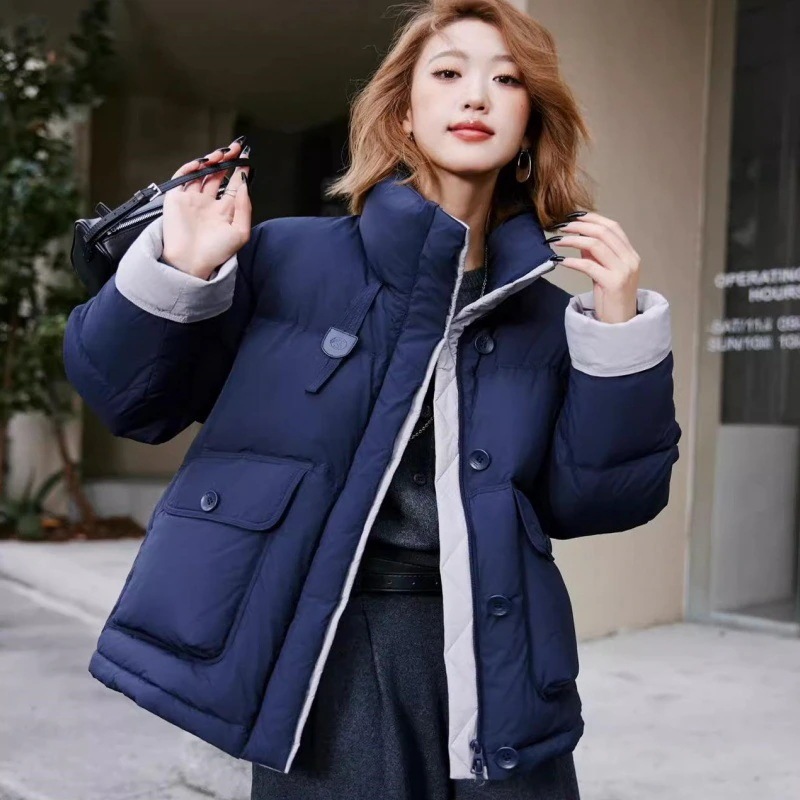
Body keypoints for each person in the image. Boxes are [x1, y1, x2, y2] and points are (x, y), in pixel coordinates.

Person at [62, 1, 681, 799]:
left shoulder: (548, 317)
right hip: (331, 661)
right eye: (448, 73)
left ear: (531, 126)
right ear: (403, 112)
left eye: (506, 81)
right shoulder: (288, 259)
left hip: (498, 662)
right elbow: (129, 401)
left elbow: (600, 501)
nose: (476, 96)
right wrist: (181, 269)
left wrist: (619, 334)